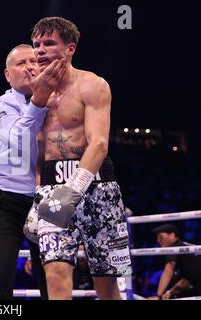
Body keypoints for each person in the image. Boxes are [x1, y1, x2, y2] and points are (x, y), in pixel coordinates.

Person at [23, 17, 132, 300]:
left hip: (96, 187)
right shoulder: (35, 96)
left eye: (49, 43)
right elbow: (34, 150)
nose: (40, 50)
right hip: (51, 188)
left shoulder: (92, 85)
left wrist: (74, 189)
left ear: (70, 48)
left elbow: (99, 144)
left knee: (106, 283)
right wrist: (38, 195)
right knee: (55, 275)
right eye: (37, 45)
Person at [0, 44, 66, 299]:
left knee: (50, 277)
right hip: (8, 202)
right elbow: (20, 139)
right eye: (21, 63)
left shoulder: (57, 101)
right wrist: (39, 98)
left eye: (33, 61)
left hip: (46, 199)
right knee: (1, 278)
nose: (30, 67)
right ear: (8, 75)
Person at [149, 224, 201, 299]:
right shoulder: (184, 246)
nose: (158, 240)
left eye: (160, 237)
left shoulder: (175, 248)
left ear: (172, 235)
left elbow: (169, 270)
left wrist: (158, 296)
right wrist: (170, 292)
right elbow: (188, 279)